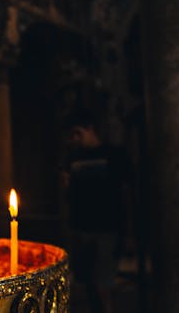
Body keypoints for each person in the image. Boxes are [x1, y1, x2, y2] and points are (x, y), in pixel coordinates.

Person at [61, 109, 132, 313]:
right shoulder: (73, 157)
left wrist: (127, 232)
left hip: (106, 228)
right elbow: (69, 196)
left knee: (104, 283)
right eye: (72, 135)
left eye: (78, 133)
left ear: (90, 129)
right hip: (80, 227)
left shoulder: (113, 155)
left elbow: (125, 194)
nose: (74, 139)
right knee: (86, 282)